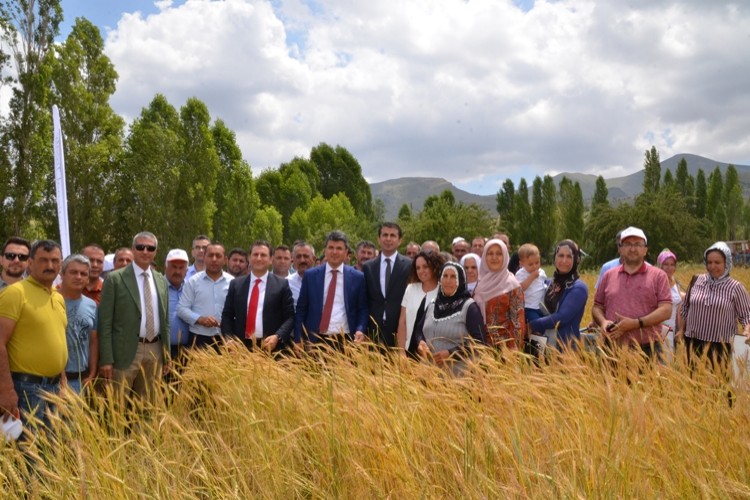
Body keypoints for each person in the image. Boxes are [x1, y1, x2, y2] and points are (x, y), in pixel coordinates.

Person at [0, 240, 67, 429]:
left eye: (55, 260)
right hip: (26, 388)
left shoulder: (58, 297)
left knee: (51, 449)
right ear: (30, 263)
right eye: (43, 260)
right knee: (29, 453)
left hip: (54, 388)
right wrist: (5, 390)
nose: (50, 266)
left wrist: (62, 383)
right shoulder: (15, 293)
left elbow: (58, 341)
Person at [98, 232, 170, 404]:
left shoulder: (161, 280)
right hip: (126, 351)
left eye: (150, 248)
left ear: (156, 252)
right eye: (140, 247)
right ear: (133, 249)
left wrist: (166, 356)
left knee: (148, 406)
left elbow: (165, 320)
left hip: (155, 349)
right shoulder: (115, 279)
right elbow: (105, 323)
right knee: (118, 406)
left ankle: (143, 433)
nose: (145, 251)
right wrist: (107, 359)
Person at [592, 226, 671, 360]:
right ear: (620, 249)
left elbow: (666, 310)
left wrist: (636, 323)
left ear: (645, 250)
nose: (633, 249)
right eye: (627, 244)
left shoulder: (658, 276)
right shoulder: (608, 275)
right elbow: (597, 307)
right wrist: (603, 322)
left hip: (647, 349)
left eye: (638, 244)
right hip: (611, 348)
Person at [676, 242, 750, 380]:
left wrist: (747, 329)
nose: (712, 266)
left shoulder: (735, 287)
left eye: (717, 262)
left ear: (727, 263)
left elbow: (746, 315)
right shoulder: (697, 280)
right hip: (693, 342)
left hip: (721, 347)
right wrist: (681, 330)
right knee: (693, 384)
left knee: (720, 386)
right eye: (709, 262)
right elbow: (686, 307)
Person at [294, 231, 368, 351]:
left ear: (345, 252)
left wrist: (360, 329)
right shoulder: (311, 276)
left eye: (339, 248)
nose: (334, 252)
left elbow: (363, 309)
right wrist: (298, 339)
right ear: (325, 251)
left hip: (346, 341)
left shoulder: (358, 277)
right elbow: (301, 309)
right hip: (315, 340)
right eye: (331, 248)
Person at [222, 240, 295, 353]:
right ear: (249, 258)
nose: (259, 258)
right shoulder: (236, 284)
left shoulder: (281, 285)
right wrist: (229, 340)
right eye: (255, 254)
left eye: (263, 255)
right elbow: (227, 315)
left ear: (271, 259)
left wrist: (278, 336)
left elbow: (290, 317)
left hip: (270, 346)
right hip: (240, 347)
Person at [413, 262, 486, 376]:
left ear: (461, 280)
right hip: (428, 376)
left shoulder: (469, 307)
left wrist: (451, 353)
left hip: (458, 377)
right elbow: (419, 330)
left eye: (453, 277)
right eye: (445, 276)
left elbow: (479, 342)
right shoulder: (433, 304)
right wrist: (420, 342)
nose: (448, 281)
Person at [528, 240, 588, 349]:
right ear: (555, 258)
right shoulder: (548, 282)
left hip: (565, 350)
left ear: (576, 259)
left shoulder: (578, 288)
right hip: (542, 345)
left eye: (569, 256)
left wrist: (532, 325)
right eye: (560, 255)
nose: (564, 260)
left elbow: (562, 317)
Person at [363, 222, 412, 348]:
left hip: (399, 329)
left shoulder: (409, 265)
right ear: (379, 239)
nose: (388, 239)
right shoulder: (368, 267)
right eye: (385, 235)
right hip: (373, 331)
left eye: (392, 235)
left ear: (400, 240)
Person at [177, 242, 233, 350]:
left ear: (225, 260)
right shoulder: (193, 281)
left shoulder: (232, 283)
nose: (214, 259)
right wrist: (200, 319)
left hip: (225, 340)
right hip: (198, 340)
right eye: (210, 255)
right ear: (205, 257)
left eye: (218, 256)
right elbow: (181, 309)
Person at [473, 239, 526, 349]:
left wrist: (513, 354)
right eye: (490, 253)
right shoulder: (479, 284)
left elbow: (517, 324)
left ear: (505, 257)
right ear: (484, 257)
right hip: (480, 348)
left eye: (499, 253)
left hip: (503, 350)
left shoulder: (512, 285)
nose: (494, 257)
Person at [59, 254, 98, 394]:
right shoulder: (51, 300)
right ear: (62, 274)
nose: (78, 277)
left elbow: (93, 340)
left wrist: (92, 372)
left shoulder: (91, 305)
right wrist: (61, 377)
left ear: (88, 278)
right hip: (54, 381)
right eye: (73, 272)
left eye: (83, 274)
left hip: (81, 379)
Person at [396, 250, 444, 355]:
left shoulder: (443, 291)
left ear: (435, 266)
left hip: (433, 353)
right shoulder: (410, 288)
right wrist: (401, 351)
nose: (421, 271)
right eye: (418, 268)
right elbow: (402, 322)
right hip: (409, 350)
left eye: (425, 266)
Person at [164, 249, 190, 362]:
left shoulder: (191, 288)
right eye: (174, 267)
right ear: (165, 267)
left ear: (187, 270)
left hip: (189, 350)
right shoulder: (156, 287)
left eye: (181, 268)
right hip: (162, 350)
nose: (177, 271)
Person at [657, 248, 684, 352]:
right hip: (660, 330)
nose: (669, 267)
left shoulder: (674, 282)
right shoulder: (655, 283)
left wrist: (681, 329)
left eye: (672, 264)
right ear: (660, 265)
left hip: (673, 329)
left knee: (670, 361)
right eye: (666, 264)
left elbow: (680, 305)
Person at [515, 243, 547, 323]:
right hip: (528, 307)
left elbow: (544, 283)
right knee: (536, 324)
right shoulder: (520, 274)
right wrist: (531, 277)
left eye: (537, 262)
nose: (535, 266)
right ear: (522, 264)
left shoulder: (541, 272)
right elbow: (520, 288)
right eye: (530, 264)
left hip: (541, 306)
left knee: (548, 323)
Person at [287, 242, 315, 307]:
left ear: (314, 259)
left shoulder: (323, 281)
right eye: (298, 257)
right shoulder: (287, 283)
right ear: (293, 260)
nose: (302, 260)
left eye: (306, 256)